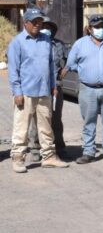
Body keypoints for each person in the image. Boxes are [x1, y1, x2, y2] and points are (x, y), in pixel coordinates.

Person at [7, 8, 69, 173]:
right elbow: (13, 70)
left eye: (39, 21)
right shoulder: (17, 42)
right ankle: (18, 158)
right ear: (25, 23)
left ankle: (49, 157)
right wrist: (17, 92)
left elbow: (50, 66)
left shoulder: (46, 41)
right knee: (21, 128)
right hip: (25, 93)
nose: (37, 24)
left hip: (44, 92)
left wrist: (53, 86)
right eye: (34, 21)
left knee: (45, 127)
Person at [63, 14, 103, 164]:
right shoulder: (79, 44)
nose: (100, 29)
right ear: (89, 29)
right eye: (97, 27)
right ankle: (88, 152)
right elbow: (71, 64)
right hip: (87, 89)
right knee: (89, 122)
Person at [28, 17, 68, 160]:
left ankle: (59, 147)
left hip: (55, 87)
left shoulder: (59, 45)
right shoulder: (31, 43)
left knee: (56, 119)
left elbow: (68, 60)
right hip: (37, 87)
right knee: (36, 118)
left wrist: (66, 68)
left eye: (49, 27)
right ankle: (35, 148)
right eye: (43, 26)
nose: (46, 29)